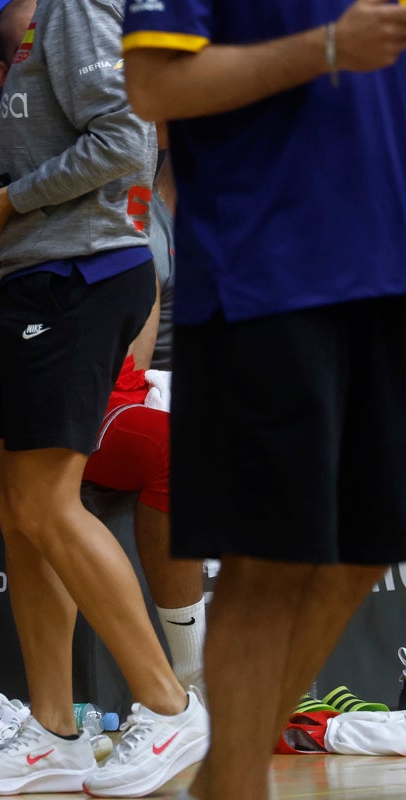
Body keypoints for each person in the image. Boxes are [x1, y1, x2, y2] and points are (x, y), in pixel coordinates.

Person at [121, 2, 406, 799]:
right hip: (267, 277)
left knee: (361, 550)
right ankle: (238, 785)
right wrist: (324, 49)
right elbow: (151, 87)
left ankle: (225, 781)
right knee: (266, 559)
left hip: (387, 270)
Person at [0, 0, 209, 795]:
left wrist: (10, 207)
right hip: (45, 279)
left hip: (82, 282)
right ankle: (54, 730)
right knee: (19, 511)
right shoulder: (45, 17)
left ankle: (166, 706)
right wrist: (1, 277)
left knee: (48, 504)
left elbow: (123, 140)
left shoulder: (77, 6)